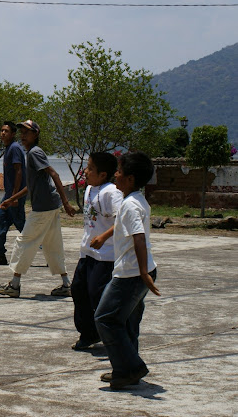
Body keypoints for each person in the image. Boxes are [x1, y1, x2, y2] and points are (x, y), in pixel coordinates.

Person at [95, 152, 160, 389]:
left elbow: (139, 238)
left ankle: (131, 367)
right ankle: (124, 370)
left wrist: (143, 273)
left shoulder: (131, 205)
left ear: (130, 179)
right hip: (137, 271)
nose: (116, 175)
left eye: (120, 172)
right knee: (128, 322)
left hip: (131, 274)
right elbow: (128, 228)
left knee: (105, 319)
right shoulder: (136, 200)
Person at [0, 119, 76, 298]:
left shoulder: (34, 153)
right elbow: (30, 186)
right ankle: (66, 284)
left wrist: (66, 202)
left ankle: (14, 285)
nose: (23, 135)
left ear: (35, 135)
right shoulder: (31, 153)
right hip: (50, 206)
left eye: (27, 132)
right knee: (52, 244)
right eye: (21, 132)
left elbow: (54, 174)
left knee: (24, 242)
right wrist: (11, 199)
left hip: (44, 208)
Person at [70, 152, 123, 351]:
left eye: (90, 168)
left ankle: (112, 331)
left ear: (102, 174)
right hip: (88, 252)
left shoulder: (111, 192)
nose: (86, 171)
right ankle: (89, 333)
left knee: (97, 293)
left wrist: (104, 237)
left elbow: (121, 219)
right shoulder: (89, 189)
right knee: (78, 290)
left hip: (106, 254)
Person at [0, 121, 26, 265]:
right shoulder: (8, 148)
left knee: (22, 226)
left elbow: (19, 171)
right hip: (9, 194)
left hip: (15, 195)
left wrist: (14, 196)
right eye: (1, 131)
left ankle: (47, 249)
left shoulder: (14, 148)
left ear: (13, 134)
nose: (3, 133)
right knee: (0, 223)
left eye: (6, 131)